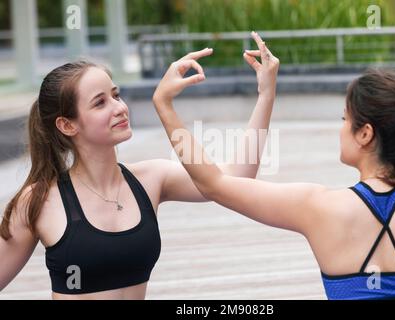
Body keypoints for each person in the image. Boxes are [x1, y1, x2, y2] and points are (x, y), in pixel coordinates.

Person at [152, 32, 395, 300]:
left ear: (365, 133)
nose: (341, 128)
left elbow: (213, 184)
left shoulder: (318, 207)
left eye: (344, 119)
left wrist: (165, 106)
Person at [0, 32, 278, 299]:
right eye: (100, 103)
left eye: (116, 95)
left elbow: (236, 178)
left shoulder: (150, 179)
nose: (119, 107)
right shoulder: (38, 201)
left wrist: (265, 95)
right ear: (67, 124)